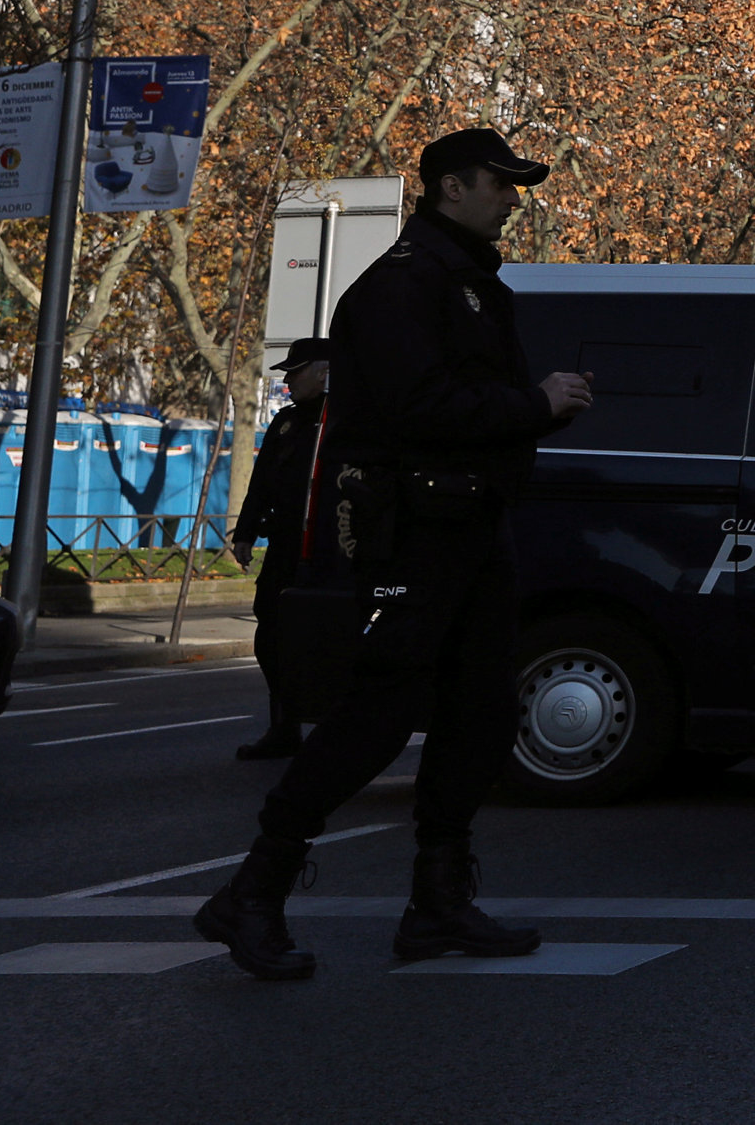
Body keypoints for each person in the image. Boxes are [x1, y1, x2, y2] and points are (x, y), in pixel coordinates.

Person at [194, 129, 592, 982]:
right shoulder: (403, 286)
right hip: (415, 529)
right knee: (380, 711)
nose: (512, 199)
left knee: (477, 712)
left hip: (473, 525)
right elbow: (422, 406)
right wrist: (534, 404)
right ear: (451, 188)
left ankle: (438, 902)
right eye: (499, 183)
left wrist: (529, 414)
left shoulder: (466, 282)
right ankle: (253, 890)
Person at [231, 344, 337, 761]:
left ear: (325, 372)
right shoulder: (288, 422)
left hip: (331, 549)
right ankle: (284, 725)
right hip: (286, 545)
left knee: (323, 637)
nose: (287, 381)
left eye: (296, 373)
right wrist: (245, 531)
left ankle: (332, 730)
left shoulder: (349, 419)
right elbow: (262, 480)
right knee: (270, 632)